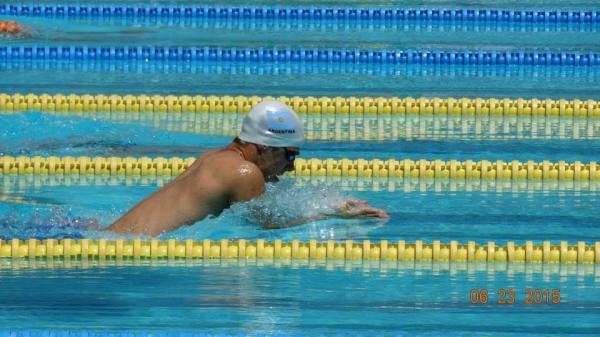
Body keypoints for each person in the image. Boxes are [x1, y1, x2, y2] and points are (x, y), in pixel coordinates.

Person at [108, 101, 388, 236]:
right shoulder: (246, 173)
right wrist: (332, 215)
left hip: (110, 234)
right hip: (128, 249)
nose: (291, 168)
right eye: (289, 156)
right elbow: (265, 227)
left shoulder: (214, 157)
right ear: (265, 148)